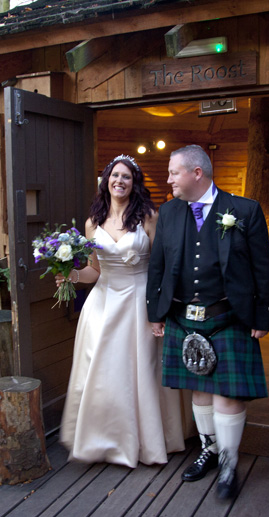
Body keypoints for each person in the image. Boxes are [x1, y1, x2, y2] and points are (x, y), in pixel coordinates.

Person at [147, 145, 269, 499]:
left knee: (228, 392)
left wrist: (264, 314)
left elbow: (263, 266)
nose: (168, 179)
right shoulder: (169, 212)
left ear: (196, 173)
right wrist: (154, 312)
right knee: (199, 388)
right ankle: (210, 449)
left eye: (174, 172)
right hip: (183, 317)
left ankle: (229, 465)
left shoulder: (244, 210)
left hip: (229, 316)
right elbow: (158, 264)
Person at [57, 154, 186, 468]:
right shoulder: (92, 222)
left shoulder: (148, 217)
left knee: (140, 371)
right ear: (106, 181)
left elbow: (161, 265)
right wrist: (70, 276)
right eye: (115, 175)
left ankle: (148, 440)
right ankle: (103, 438)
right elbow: (95, 271)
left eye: (126, 177)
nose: (119, 181)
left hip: (138, 301)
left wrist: (162, 307)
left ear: (134, 183)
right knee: (104, 373)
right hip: (101, 304)